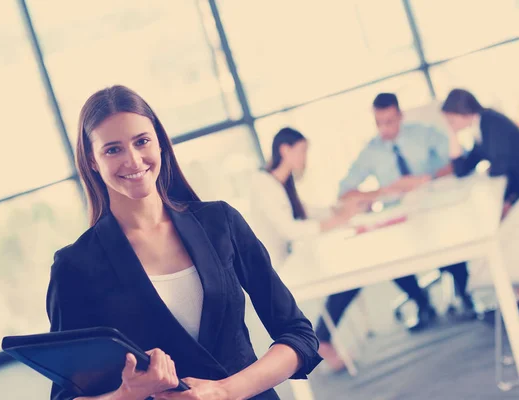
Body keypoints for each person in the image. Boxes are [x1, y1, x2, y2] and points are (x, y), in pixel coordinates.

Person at [46, 86, 322, 400]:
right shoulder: (75, 267)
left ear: (160, 142)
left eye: (142, 141)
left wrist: (224, 391)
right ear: (92, 161)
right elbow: (65, 396)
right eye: (113, 149)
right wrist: (127, 394)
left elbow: (299, 335)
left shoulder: (221, 222)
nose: (133, 160)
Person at [338, 93, 476, 332]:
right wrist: (385, 191)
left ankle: (463, 295)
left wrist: (426, 178)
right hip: (397, 215)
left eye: (390, 121)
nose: (385, 128)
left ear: (400, 115)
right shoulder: (371, 151)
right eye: (379, 123)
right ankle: (421, 301)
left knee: (449, 237)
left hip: (430, 205)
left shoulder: (422, 133)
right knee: (385, 252)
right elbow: (344, 192)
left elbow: (459, 160)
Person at [248, 127, 367, 372]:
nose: (305, 158)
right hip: (277, 268)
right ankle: (322, 339)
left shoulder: (281, 181)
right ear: (285, 150)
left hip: (293, 257)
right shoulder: (264, 185)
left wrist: (338, 210)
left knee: (350, 269)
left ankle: (323, 337)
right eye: (302, 151)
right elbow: (291, 230)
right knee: (347, 275)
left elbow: (304, 211)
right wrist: (337, 220)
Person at [442, 88, 519, 322]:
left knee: (505, 235)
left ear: (461, 112)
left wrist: (506, 199)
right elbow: (462, 169)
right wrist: (452, 134)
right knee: (505, 231)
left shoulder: (492, 123)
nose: (451, 124)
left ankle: (518, 295)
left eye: (451, 120)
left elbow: (501, 166)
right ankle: (518, 296)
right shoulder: (481, 129)